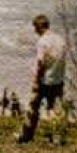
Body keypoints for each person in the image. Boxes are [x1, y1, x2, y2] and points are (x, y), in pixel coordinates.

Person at [17, 14, 67, 144]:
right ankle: (57, 138)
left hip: (45, 80)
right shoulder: (60, 39)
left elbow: (41, 63)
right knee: (55, 110)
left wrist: (36, 80)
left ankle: (26, 135)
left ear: (38, 27)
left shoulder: (43, 41)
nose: (34, 31)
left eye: (35, 28)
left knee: (33, 108)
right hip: (58, 79)